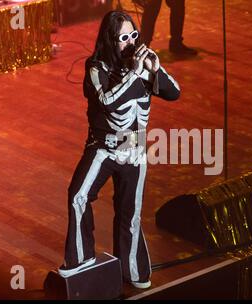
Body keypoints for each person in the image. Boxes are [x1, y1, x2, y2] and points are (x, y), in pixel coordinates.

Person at [58, 10, 180, 289]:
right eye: (123, 37)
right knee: (78, 196)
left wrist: (156, 68)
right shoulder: (96, 68)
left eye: (133, 35)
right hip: (104, 148)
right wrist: (134, 74)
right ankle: (80, 260)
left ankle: (133, 270)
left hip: (134, 151)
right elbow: (108, 102)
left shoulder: (143, 67)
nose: (130, 42)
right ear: (111, 40)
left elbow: (174, 93)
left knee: (130, 214)